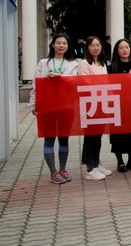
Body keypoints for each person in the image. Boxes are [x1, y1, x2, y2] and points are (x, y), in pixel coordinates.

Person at [28, 33, 78, 184]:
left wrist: (59, 77)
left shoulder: (72, 64)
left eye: (64, 43)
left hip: (66, 106)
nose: (61, 45)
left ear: (68, 46)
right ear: (53, 45)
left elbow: (74, 82)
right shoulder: (44, 63)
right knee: (49, 138)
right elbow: (36, 84)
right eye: (58, 43)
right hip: (47, 106)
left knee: (64, 139)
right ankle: (53, 172)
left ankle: (62, 169)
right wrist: (33, 103)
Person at [78, 36, 112, 180]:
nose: (96, 48)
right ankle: (89, 168)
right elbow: (85, 82)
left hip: (102, 103)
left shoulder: (102, 63)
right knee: (90, 136)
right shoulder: (84, 63)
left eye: (98, 45)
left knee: (98, 136)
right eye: (92, 45)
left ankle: (96, 164)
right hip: (90, 104)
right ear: (87, 48)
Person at [108, 39, 131, 173]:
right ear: (117, 50)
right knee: (118, 134)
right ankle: (120, 162)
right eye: (121, 48)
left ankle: (130, 160)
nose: (124, 50)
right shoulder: (112, 67)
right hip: (117, 105)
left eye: (127, 47)